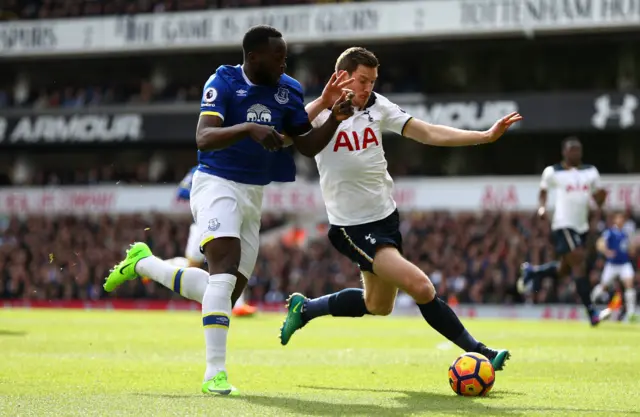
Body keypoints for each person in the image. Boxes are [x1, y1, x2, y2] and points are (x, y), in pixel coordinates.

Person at [104, 25, 354, 396]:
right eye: (278, 56)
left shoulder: (289, 91)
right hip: (216, 182)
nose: (284, 62)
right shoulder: (222, 81)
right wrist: (249, 127)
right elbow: (203, 137)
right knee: (221, 276)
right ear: (253, 58)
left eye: (285, 56)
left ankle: (144, 263)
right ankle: (214, 374)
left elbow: (305, 146)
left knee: (223, 292)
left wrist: (334, 118)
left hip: (254, 193)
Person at [278, 47, 521, 371]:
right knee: (421, 287)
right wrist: (323, 101)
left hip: (385, 219)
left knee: (378, 305)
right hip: (351, 228)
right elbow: (283, 138)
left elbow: (428, 132)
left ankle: (305, 309)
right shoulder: (321, 111)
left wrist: (484, 136)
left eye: (373, 81)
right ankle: (482, 352)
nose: (368, 88)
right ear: (343, 78)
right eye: (362, 80)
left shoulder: (379, 106)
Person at [517, 137, 607, 326]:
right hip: (563, 224)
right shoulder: (553, 172)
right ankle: (591, 311)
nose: (575, 153)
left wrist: (601, 198)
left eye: (578, 150)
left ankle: (533, 272)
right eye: (571, 150)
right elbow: (543, 191)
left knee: (564, 270)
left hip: (581, 226)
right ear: (564, 152)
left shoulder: (590, 172)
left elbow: (598, 200)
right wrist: (542, 208)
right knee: (579, 261)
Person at [593, 212, 636, 322]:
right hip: (612, 264)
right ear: (615, 220)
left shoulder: (625, 233)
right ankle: (590, 303)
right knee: (603, 287)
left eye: (622, 218)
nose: (621, 220)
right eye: (619, 218)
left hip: (624, 263)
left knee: (629, 284)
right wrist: (606, 251)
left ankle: (631, 313)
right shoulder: (610, 232)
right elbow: (600, 243)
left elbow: (629, 248)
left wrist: (632, 249)